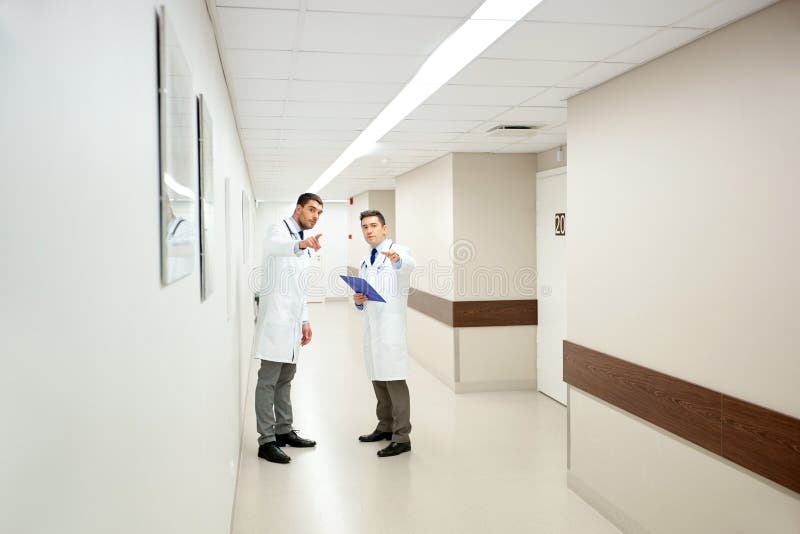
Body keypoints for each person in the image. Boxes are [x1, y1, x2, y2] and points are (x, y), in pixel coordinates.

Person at [252, 193, 323, 464]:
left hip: (293, 323)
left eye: (319, 212)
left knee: (286, 378)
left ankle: (283, 431)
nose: (315, 215)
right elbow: (278, 246)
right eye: (311, 209)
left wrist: (305, 320)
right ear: (298, 208)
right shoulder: (278, 230)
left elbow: (299, 288)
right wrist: (302, 243)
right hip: (276, 322)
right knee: (268, 381)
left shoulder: (301, 243)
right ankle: (266, 440)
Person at [353, 210, 416, 457]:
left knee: (394, 381)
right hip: (372, 327)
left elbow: (408, 266)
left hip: (390, 328)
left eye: (373, 225)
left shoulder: (398, 251)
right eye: (365, 227)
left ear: (384, 228)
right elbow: (363, 297)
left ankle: (402, 437)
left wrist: (397, 259)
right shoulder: (365, 259)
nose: (369, 230)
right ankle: (385, 426)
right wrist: (358, 300)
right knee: (378, 379)